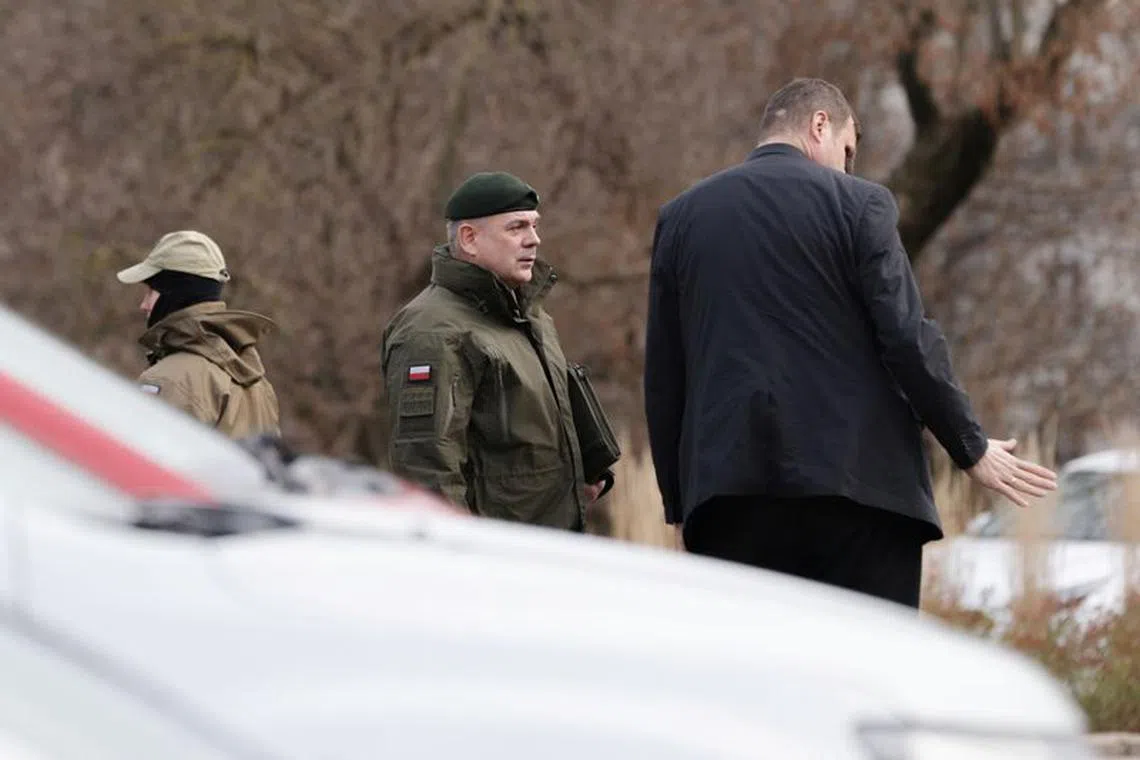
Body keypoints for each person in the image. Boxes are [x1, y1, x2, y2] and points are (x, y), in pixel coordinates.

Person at [643, 77, 1056, 608]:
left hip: (729, 501)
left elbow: (665, 375)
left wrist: (681, 505)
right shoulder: (860, 205)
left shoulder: (681, 217)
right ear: (820, 124)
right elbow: (907, 337)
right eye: (847, 150)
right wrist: (968, 446)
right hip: (861, 496)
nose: (848, 166)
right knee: (865, 673)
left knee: (751, 676)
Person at [381, 171, 612, 530]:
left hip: (547, 544)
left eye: (534, 226)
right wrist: (462, 563)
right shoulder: (431, 332)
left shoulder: (530, 317)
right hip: (495, 559)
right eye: (516, 227)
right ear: (469, 239)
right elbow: (428, 469)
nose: (533, 240)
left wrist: (578, 478)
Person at [116, 230, 281, 439]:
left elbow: (140, 465)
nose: (144, 304)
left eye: (151, 291)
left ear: (174, 293)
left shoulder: (170, 379)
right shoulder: (257, 384)